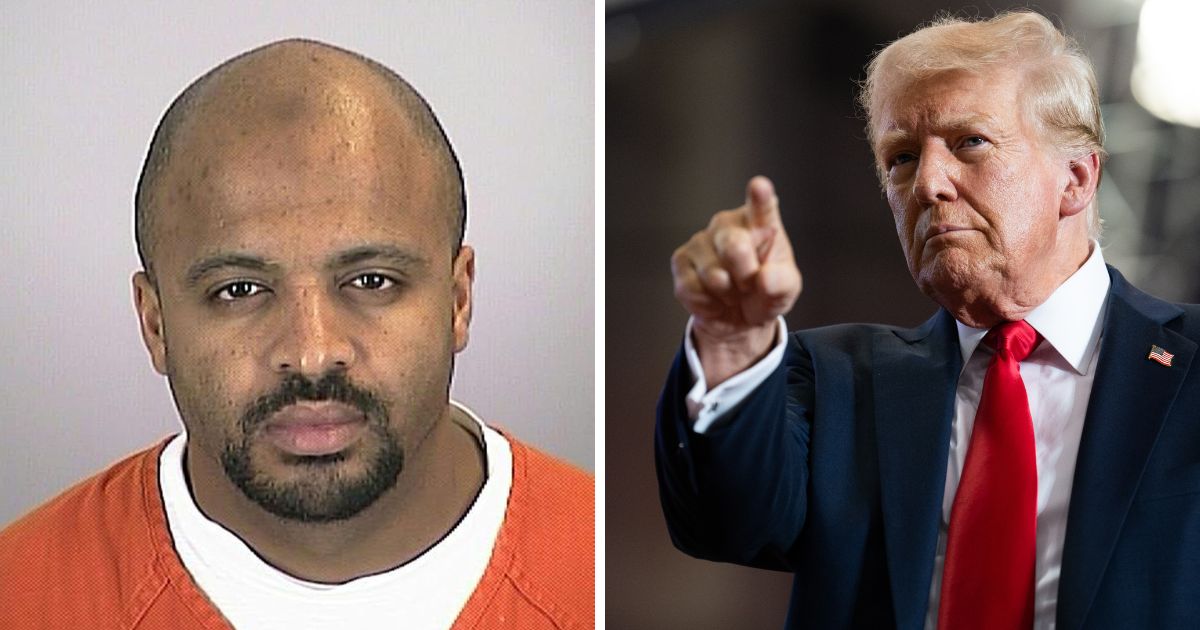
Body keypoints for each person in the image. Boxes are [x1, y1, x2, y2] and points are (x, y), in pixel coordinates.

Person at [0, 39, 593, 630]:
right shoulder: (20, 595)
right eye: (239, 290)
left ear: (458, 298)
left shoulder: (608, 570)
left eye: (371, 280)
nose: (312, 353)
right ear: (154, 323)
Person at [658, 10, 1200, 630]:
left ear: (1075, 178)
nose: (929, 183)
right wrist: (730, 341)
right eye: (902, 157)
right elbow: (727, 523)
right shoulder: (838, 382)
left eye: (970, 142)